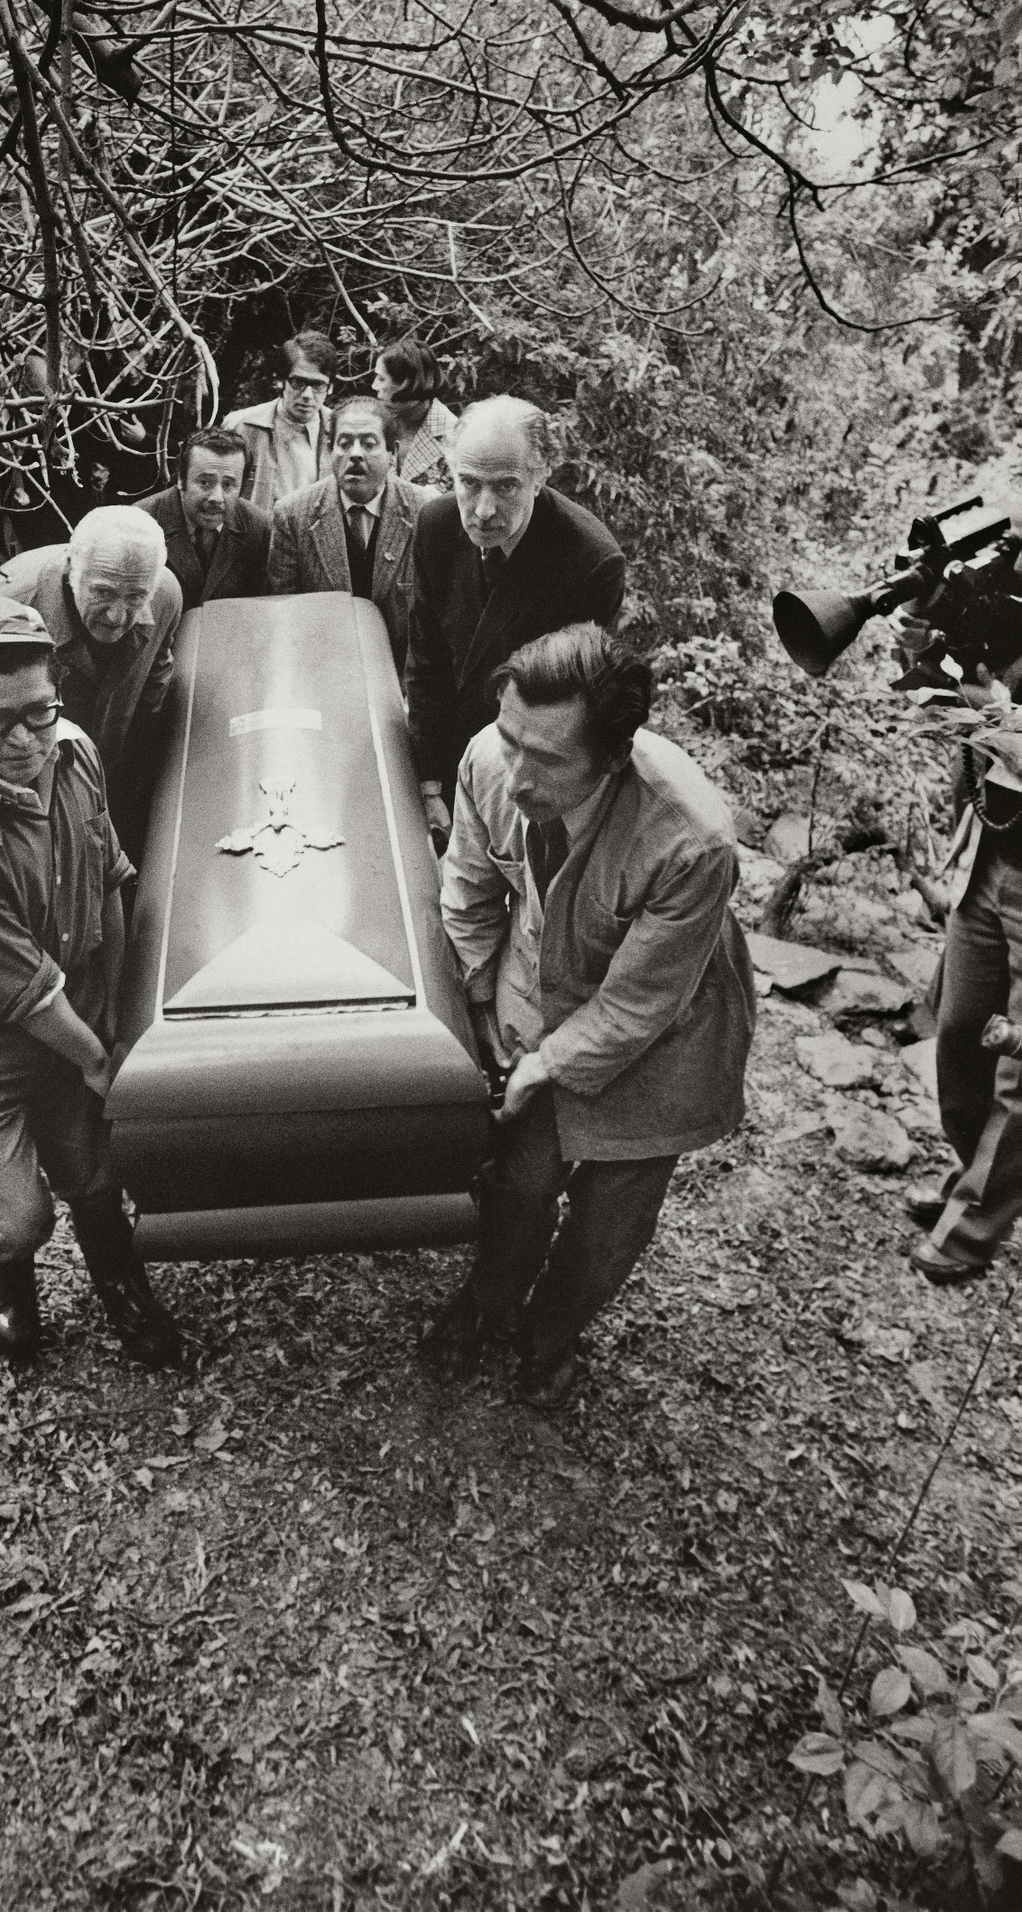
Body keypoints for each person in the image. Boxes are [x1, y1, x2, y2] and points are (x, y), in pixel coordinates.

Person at [422, 623, 755, 1404]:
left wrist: (544, 1065)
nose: (520, 777)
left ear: (613, 757)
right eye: (513, 742)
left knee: (610, 1220)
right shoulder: (488, 760)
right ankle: (488, 1304)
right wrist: (478, 1001)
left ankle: (551, 1336)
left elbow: (639, 1004)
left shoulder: (692, 839)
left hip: (667, 1036)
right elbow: (469, 893)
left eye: (549, 760)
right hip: (537, 995)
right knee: (519, 1183)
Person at [0, 597, 185, 1368]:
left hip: (69, 1015)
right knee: (18, 1219)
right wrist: (96, 1057)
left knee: (93, 1173)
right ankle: (10, 1275)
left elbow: (111, 877)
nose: (25, 741)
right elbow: (21, 991)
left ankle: (120, 1280)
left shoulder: (72, 753)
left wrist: (112, 1011)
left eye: (41, 712)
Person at [407, 397, 626, 854]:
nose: (483, 510)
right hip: (444, 763)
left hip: (526, 778)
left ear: (541, 473)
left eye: (506, 486)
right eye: (468, 483)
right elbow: (427, 663)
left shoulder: (589, 562)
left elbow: (565, 716)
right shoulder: (436, 524)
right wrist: (429, 785)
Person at [0, 506, 182, 850]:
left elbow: (158, 671)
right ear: (72, 570)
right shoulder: (5, 602)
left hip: (95, 766)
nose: (117, 615)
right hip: (15, 772)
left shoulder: (167, 594)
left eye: (136, 598)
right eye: (104, 593)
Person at [902, 709, 1022, 1285]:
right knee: (961, 1034)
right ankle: (972, 1183)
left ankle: (972, 1229)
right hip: (990, 858)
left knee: (1017, 1080)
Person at [266, 397, 424, 673]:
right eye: (345, 443)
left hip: (405, 676)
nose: (355, 454)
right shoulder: (293, 515)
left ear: (392, 453)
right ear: (329, 450)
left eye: (369, 443)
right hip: (323, 672)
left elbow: (436, 619)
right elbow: (285, 616)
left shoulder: (424, 512)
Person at [139, 428, 271, 611]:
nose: (216, 497)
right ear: (181, 480)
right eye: (204, 483)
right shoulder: (142, 524)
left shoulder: (258, 528)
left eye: (228, 485)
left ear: (242, 488)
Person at [223, 330, 338, 515]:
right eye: (298, 382)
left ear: (330, 387)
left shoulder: (341, 431)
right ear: (280, 381)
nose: (307, 395)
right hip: (256, 539)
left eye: (318, 385)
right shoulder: (241, 426)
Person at [372, 335, 457, 491]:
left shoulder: (454, 437)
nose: (374, 386)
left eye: (381, 379)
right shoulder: (377, 423)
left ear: (406, 384)